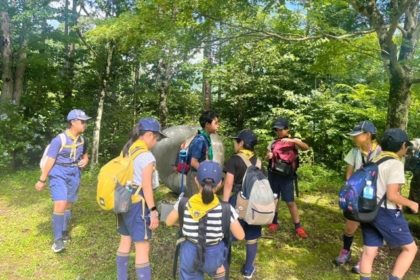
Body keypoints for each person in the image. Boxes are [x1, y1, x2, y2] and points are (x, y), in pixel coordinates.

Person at [166, 161, 245, 280]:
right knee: (219, 270)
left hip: (189, 251)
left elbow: (168, 222)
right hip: (213, 253)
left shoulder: (183, 203)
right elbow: (240, 235)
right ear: (219, 183)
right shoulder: (226, 209)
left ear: (196, 180)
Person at [359, 128, 418, 280]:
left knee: (369, 251)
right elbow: (393, 196)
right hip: (385, 212)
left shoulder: (375, 159)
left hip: (367, 210)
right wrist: (411, 203)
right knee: (410, 249)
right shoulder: (395, 164)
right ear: (403, 145)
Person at [115, 118, 166, 280]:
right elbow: (147, 186)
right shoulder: (146, 156)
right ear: (149, 135)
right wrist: (153, 211)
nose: (156, 142)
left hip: (123, 199)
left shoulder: (127, 150)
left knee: (125, 240)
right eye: (156, 138)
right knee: (142, 248)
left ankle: (121, 277)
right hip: (138, 204)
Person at [35, 109, 91, 253]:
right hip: (58, 172)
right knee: (60, 202)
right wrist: (42, 179)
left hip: (74, 173)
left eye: (86, 121)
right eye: (82, 121)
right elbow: (50, 159)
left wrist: (85, 161)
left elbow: (85, 155)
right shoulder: (59, 140)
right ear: (73, 122)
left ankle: (64, 230)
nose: (85, 124)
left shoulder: (83, 140)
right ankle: (58, 239)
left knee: (67, 204)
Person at [335, 121, 382, 273]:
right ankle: (345, 251)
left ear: (368, 135)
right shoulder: (354, 152)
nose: (354, 138)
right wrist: (349, 190)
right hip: (356, 196)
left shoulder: (381, 151)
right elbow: (349, 173)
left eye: (357, 135)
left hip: (374, 197)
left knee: (371, 229)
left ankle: (365, 259)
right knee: (350, 227)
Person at [223, 129, 262, 279]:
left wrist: (225, 204)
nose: (235, 143)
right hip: (255, 203)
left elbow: (228, 183)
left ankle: (224, 266)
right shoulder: (258, 161)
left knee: (228, 234)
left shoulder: (235, 159)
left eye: (236, 141)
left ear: (241, 143)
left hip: (237, 200)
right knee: (252, 236)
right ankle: (248, 270)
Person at [266, 117, 309, 238]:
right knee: (275, 199)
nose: (278, 132)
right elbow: (267, 156)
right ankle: (274, 222)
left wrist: (295, 141)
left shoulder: (293, 141)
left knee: (290, 202)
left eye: (280, 129)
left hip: (287, 176)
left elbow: (306, 147)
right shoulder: (273, 142)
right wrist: (268, 156)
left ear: (287, 129)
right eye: (276, 129)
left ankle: (298, 226)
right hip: (274, 174)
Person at [185, 111, 220, 196]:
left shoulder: (206, 138)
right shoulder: (200, 140)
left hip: (201, 175)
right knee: (196, 203)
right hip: (195, 176)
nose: (218, 125)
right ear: (207, 124)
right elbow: (193, 162)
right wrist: (208, 172)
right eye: (216, 123)